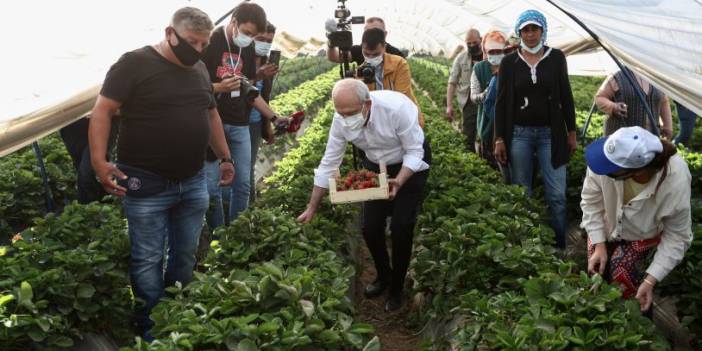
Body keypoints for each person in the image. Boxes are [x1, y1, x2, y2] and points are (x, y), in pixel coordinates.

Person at [88, 7, 235, 339]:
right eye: (192, 42)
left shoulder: (198, 69)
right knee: (147, 257)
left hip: (193, 178)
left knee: (185, 252)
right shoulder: (134, 64)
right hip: (145, 180)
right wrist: (99, 162)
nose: (198, 50)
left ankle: (177, 311)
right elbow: (103, 111)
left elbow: (211, 115)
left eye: (204, 44)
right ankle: (150, 325)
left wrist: (225, 158)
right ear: (170, 33)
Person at [297, 79, 430, 312]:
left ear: (367, 104)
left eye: (351, 113)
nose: (346, 118)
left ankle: (397, 288)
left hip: (409, 165)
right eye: (341, 113)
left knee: (401, 226)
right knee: (370, 227)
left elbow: (414, 150)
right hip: (376, 164)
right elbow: (329, 163)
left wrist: (398, 180)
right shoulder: (341, 121)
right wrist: (311, 208)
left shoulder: (396, 109)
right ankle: (384, 275)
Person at [581, 126, 692, 312]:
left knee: (627, 283)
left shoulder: (675, 179)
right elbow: (591, 202)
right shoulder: (611, 157)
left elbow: (677, 236)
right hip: (608, 224)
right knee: (596, 274)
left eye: (610, 171)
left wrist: (651, 279)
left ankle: (635, 322)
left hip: (644, 234)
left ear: (636, 172)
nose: (602, 170)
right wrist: (599, 244)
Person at [494, 10, 577, 249]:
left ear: (543, 31)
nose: (530, 35)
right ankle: (529, 248)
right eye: (525, 30)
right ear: (519, 33)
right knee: (523, 193)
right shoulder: (509, 62)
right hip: (519, 134)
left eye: (534, 29)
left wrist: (571, 132)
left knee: (557, 195)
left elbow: (566, 95)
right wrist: (499, 137)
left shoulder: (556, 57)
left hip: (550, 135)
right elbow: (501, 102)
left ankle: (559, 245)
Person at [201, 2, 289, 225]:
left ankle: (237, 232)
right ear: (233, 22)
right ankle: (219, 239)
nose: (249, 38)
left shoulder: (247, 47)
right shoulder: (209, 42)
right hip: (211, 124)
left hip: (239, 122)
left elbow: (249, 90)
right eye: (247, 33)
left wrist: (273, 117)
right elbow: (189, 86)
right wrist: (219, 87)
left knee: (242, 184)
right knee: (213, 187)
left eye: (254, 35)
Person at [358, 28, 424, 127]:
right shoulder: (361, 72)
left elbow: (402, 99)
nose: (371, 58)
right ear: (362, 47)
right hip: (377, 125)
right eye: (367, 54)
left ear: (384, 47)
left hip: (403, 119)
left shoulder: (399, 64)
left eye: (376, 54)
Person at [595, 68, 673, 139]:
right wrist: (613, 107)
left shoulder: (656, 78)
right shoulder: (617, 76)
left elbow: (664, 101)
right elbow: (600, 98)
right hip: (620, 141)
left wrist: (667, 126)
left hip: (650, 140)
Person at [249, 22, 278, 204]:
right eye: (261, 39)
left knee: (248, 169)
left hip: (254, 123)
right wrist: (256, 75)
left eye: (269, 40)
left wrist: (267, 126)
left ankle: (249, 210)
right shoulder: (240, 61)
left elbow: (264, 97)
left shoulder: (268, 64)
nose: (265, 43)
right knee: (239, 172)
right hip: (237, 122)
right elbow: (244, 91)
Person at [470, 30, 507, 168]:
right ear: (485, 50)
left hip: (508, 128)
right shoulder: (479, 68)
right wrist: (486, 94)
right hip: (487, 126)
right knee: (488, 167)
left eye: (499, 51)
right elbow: (473, 97)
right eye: (492, 51)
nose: (496, 55)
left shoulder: (510, 66)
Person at [447, 28, 483, 151]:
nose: (472, 45)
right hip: (469, 101)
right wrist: (449, 105)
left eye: (474, 42)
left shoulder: (489, 55)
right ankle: (472, 159)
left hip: (488, 100)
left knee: (488, 134)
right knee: (468, 134)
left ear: (481, 40)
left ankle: (489, 161)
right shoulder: (461, 58)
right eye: (469, 43)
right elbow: (452, 82)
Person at [326, 16, 406, 65]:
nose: (373, 35)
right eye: (368, 32)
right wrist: (331, 41)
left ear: (385, 34)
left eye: (377, 32)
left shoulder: (397, 55)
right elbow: (335, 57)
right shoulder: (359, 50)